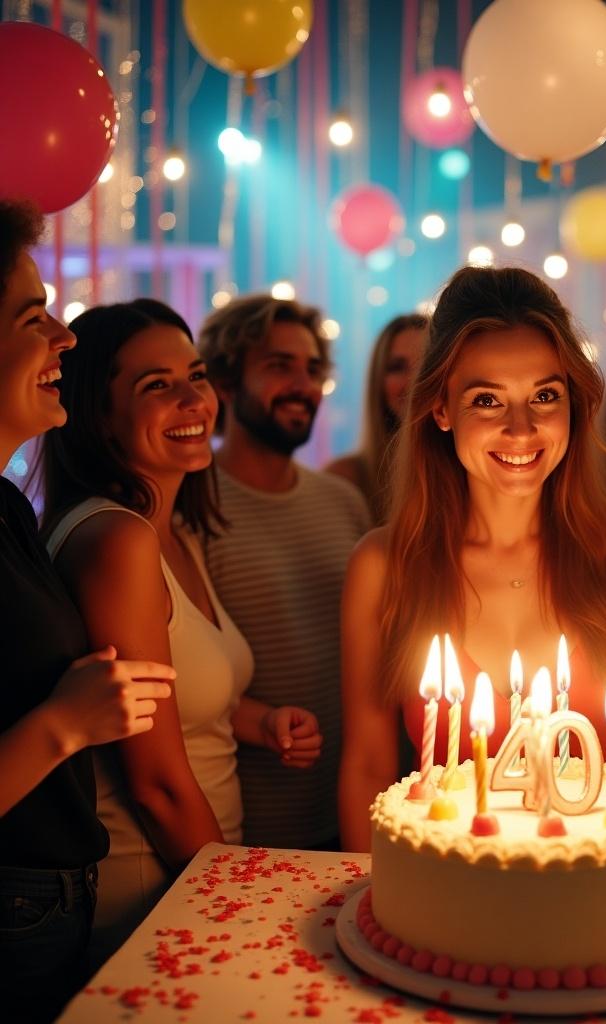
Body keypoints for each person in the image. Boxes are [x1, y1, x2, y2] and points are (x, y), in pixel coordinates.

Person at [338, 266, 606, 852]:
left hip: (602, 894)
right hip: (442, 898)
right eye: (487, 399)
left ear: (574, 402)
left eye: (545, 396)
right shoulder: (384, 565)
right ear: (441, 410)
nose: (521, 429)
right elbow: (368, 764)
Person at [41, 299, 318, 963]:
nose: (193, 400)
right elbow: (155, 783)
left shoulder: (173, 532)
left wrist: (263, 720)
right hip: (150, 894)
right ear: (97, 413)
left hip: (191, 878)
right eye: (156, 386)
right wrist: (243, 903)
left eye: (195, 376)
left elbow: (175, 700)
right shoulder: (117, 540)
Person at [0, 200, 174, 1023]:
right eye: (35, 318)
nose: (63, 339)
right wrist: (64, 725)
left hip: (54, 898)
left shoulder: (5, 507)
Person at [199, 294, 370, 850]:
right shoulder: (192, 508)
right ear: (225, 380)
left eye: (313, 369)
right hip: (242, 836)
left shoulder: (342, 502)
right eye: (278, 366)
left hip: (349, 817)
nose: (302, 384)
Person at [324, 313, 428, 524]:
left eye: (425, 364)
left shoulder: (474, 474)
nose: (412, 381)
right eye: (397, 367)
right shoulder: (345, 479)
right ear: (378, 382)